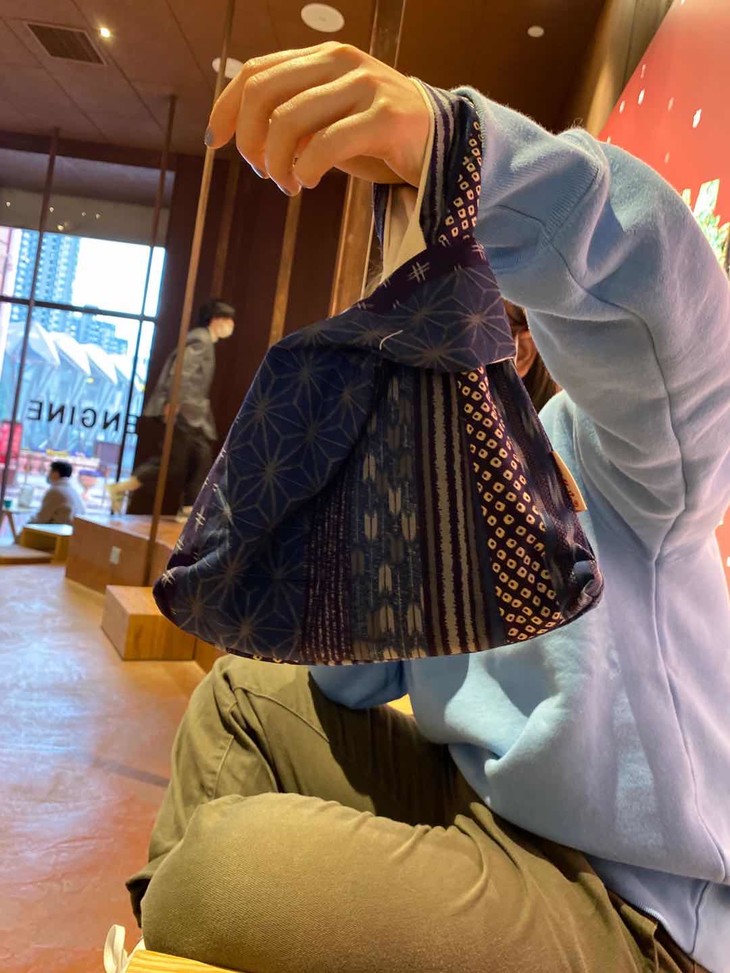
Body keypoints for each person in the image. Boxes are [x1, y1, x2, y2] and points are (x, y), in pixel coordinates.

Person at [116, 43, 728, 973]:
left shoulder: (631, 455)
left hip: (636, 914)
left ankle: (184, 926)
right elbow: (354, 683)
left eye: (450, 287)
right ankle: (184, 937)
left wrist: (457, 149)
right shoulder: (436, 476)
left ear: (520, 331)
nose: (411, 316)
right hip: (478, 816)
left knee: (221, 873)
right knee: (238, 697)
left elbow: (665, 295)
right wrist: (327, 526)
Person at [108, 299, 235, 516]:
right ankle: (127, 489)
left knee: (198, 460)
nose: (231, 325)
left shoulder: (203, 340)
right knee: (177, 464)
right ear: (216, 320)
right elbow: (181, 372)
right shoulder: (200, 340)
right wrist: (173, 401)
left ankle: (188, 508)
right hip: (185, 412)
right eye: (228, 319)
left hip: (193, 414)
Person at [29, 459, 85, 525]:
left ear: (56, 473)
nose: (48, 475)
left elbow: (41, 519)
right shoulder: (72, 490)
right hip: (72, 529)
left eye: (50, 471)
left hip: (58, 530)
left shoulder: (55, 491)